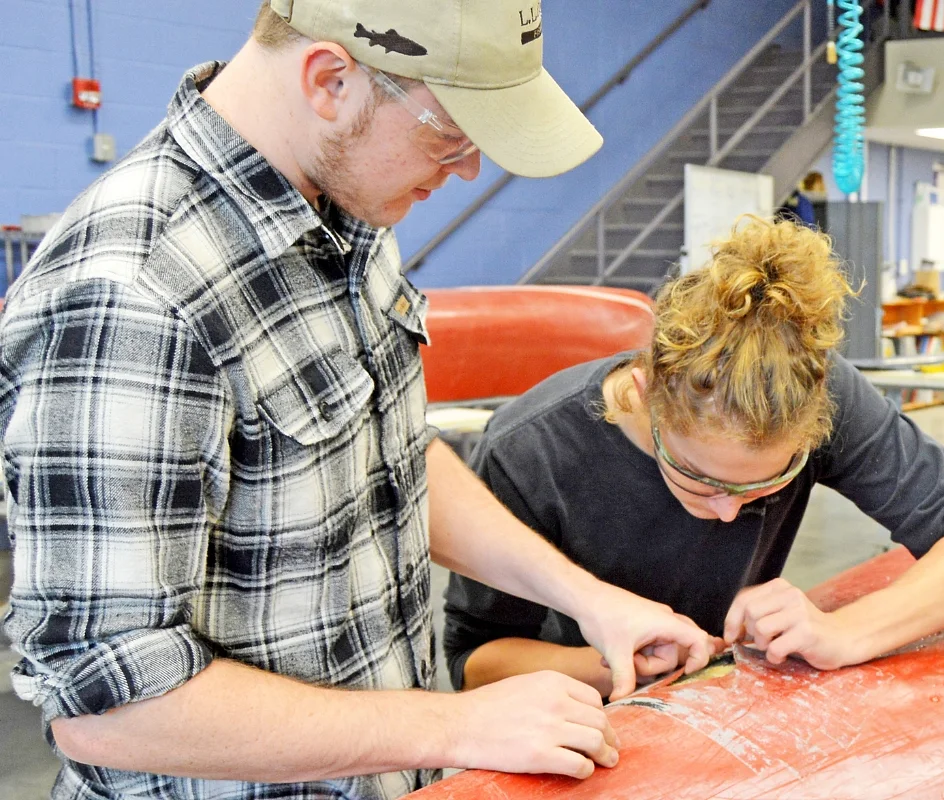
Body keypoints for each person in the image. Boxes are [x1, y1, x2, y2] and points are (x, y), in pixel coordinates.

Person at [0, 2, 716, 798]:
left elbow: (389, 455)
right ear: (331, 79)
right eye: (450, 138)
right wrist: (455, 724)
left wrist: (589, 601)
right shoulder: (133, 297)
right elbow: (108, 704)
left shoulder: (346, 205)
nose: (469, 169)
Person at [444, 216, 944, 698]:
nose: (731, 515)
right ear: (647, 392)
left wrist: (845, 631)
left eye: (767, 485)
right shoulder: (531, 448)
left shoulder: (812, 391)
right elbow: (475, 661)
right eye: (699, 480)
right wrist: (614, 666)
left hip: (732, 705)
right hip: (587, 717)